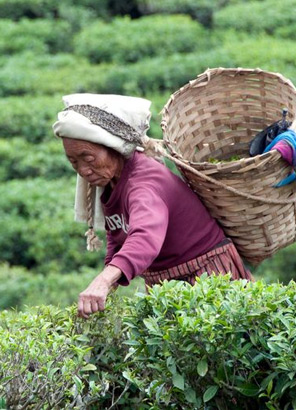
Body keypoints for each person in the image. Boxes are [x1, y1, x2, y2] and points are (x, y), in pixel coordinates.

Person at [53, 93, 253, 319]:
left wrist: (103, 279)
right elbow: (118, 232)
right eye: (74, 162)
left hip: (206, 274)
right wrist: (108, 283)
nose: (83, 170)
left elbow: (144, 237)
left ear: (114, 147)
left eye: (88, 158)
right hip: (164, 283)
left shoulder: (143, 184)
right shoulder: (111, 182)